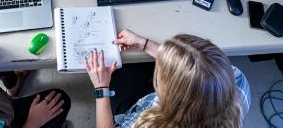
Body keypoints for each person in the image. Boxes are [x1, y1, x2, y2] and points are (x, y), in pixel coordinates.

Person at [85, 30, 250, 128]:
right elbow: (196, 64)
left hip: (138, 109)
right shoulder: (237, 81)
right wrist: (144, 43)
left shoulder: (146, 124)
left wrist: (101, 88)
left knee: (120, 74)